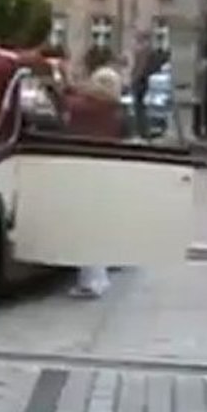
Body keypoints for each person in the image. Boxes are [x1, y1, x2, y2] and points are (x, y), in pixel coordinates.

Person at [70, 65, 124, 298]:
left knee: (85, 227)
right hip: (109, 170)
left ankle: (92, 281)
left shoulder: (83, 107)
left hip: (84, 168)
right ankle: (100, 274)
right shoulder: (118, 111)